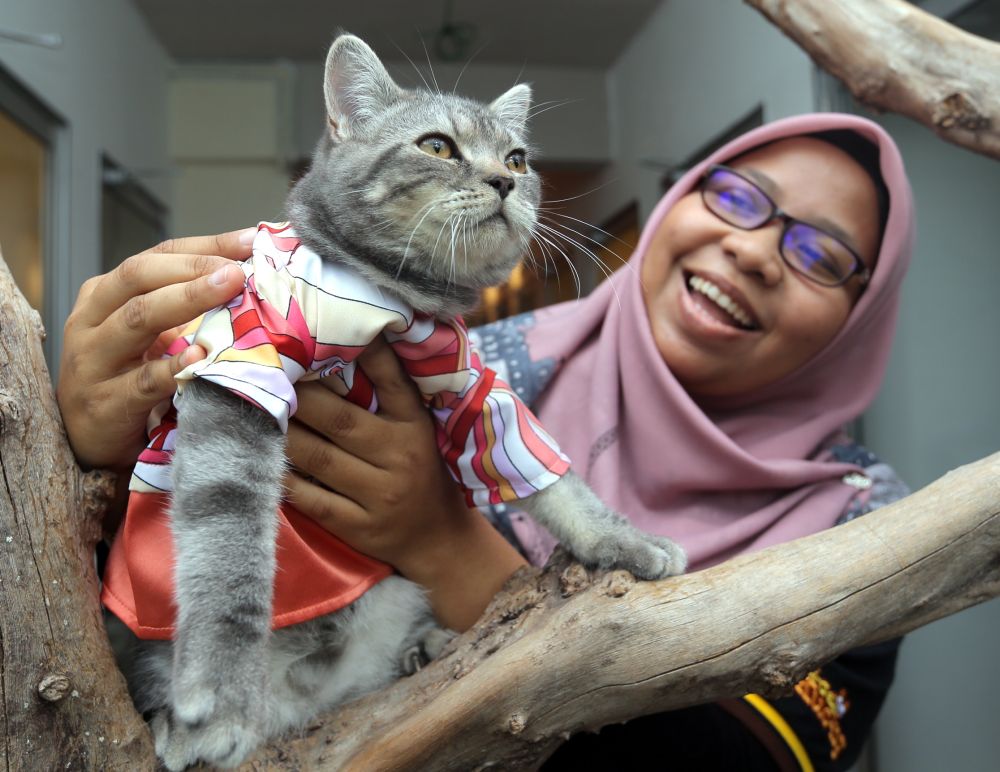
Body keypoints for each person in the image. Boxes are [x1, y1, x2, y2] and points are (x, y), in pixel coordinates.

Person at [58, 112, 913, 771]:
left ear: (863, 320)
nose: (757, 251)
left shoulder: (869, 523)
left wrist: (449, 549)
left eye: (822, 255)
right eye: (736, 196)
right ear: (677, 202)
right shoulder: (481, 352)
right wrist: (100, 450)